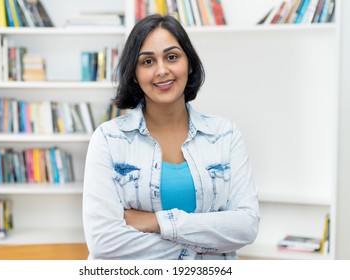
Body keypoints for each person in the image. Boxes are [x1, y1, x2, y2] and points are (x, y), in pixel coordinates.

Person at [83, 14, 259, 260]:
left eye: (172, 57)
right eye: (147, 62)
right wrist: (204, 246)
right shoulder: (108, 139)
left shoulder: (225, 135)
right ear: (134, 73)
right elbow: (103, 242)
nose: (162, 70)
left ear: (189, 63)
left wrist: (156, 222)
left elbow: (245, 227)